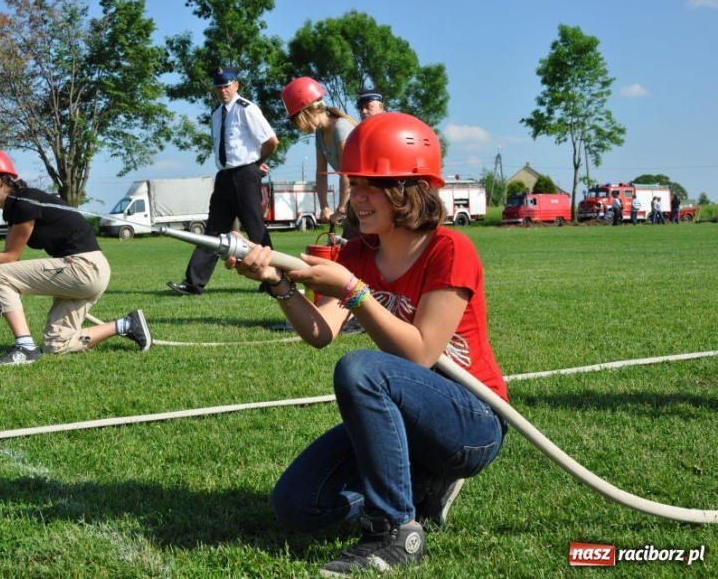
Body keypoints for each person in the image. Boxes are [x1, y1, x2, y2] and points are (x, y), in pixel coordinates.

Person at [228, 112, 508, 576]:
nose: (356, 197)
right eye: (354, 183)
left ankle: (396, 530)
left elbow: (420, 354)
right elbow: (320, 333)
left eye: (370, 185)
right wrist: (279, 284)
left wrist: (354, 290)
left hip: (472, 422)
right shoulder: (358, 253)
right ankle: (421, 489)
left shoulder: (450, 250)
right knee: (296, 506)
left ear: (409, 188)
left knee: (362, 370)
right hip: (408, 423)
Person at [0, 149, 151, 367]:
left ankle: (25, 347)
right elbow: (7, 257)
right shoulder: (16, 206)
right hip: (87, 270)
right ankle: (126, 324)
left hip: (83, 269)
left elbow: (8, 260)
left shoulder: (23, 203)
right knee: (56, 344)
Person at [167, 65, 279, 296]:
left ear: (236, 84)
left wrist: (257, 163)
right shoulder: (215, 114)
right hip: (224, 177)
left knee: (255, 230)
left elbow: (271, 141)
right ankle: (193, 283)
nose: (223, 90)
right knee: (213, 232)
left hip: (245, 173)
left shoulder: (246, 109)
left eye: (226, 85)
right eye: (219, 87)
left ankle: (275, 278)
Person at [281, 77, 358, 236]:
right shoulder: (320, 134)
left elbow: (347, 173)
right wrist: (325, 207)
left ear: (307, 111)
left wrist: (341, 209)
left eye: (296, 120)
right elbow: (321, 174)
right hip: (356, 195)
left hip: (367, 193)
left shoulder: (340, 127)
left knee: (354, 246)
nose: (297, 126)